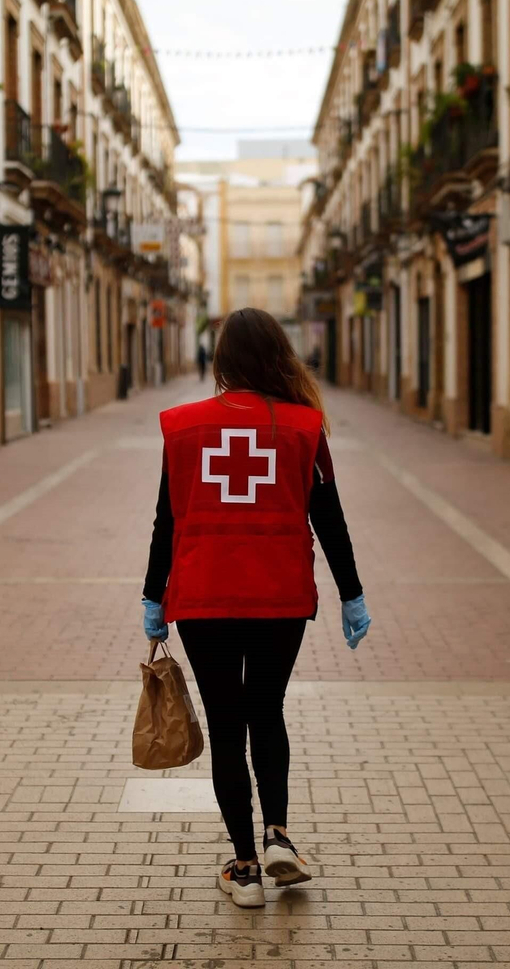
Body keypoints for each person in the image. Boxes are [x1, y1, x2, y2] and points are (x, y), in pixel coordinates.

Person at [140, 308, 371, 909]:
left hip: (204, 595)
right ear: (278, 357)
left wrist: (151, 595)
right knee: (266, 711)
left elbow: (167, 518)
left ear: (222, 362)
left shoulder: (183, 428)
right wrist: (352, 592)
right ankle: (279, 837)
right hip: (279, 596)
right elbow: (331, 519)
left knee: (225, 723)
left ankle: (243, 868)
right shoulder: (304, 427)